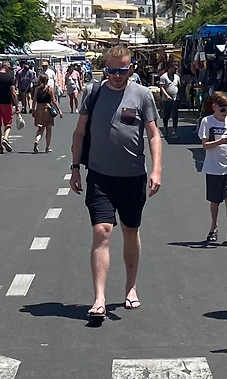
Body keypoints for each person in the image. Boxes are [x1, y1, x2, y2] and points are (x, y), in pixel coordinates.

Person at [69, 44, 162, 322]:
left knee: (131, 230)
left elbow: (153, 135)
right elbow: (79, 133)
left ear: (130, 68)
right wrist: (75, 168)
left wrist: (156, 170)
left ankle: (130, 287)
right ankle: (99, 298)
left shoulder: (142, 95)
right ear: (104, 69)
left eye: (122, 71)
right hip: (100, 176)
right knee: (102, 230)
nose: (117, 76)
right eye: (112, 70)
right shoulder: (92, 92)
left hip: (133, 176)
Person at [198, 91, 227, 247]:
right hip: (213, 167)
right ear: (214, 107)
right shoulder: (207, 121)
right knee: (215, 201)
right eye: (223, 109)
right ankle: (214, 226)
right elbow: (205, 145)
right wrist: (220, 141)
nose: (226, 113)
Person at [0, 61, 16, 152]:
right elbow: (13, 92)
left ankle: (0, 146)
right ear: (7, 67)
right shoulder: (10, 77)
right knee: (8, 124)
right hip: (7, 102)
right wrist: (16, 105)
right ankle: (5, 138)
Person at [32, 66, 59, 153]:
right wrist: (59, 110)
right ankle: (48, 147)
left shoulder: (37, 89)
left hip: (39, 109)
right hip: (47, 109)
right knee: (48, 129)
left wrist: (33, 110)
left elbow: (34, 100)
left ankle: (37, 140)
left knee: (40, 129)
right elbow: (54, 101)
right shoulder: (49, 89)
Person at [155, 62, 181, 138]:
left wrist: (180, 96)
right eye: (174, 69)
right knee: (166, 115)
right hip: (166, 100)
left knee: (175, 115)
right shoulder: (163, 77)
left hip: (175, 99)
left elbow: (178, 86)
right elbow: (162, 87)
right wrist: (167, 96)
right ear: (170, 68)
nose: (175, 70)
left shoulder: (177, 77)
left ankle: (174, 131)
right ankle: (165, 128)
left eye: (176, 69)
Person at [15, 59, 35, 126]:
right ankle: (24, 107)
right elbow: (18, 80)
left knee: (29, 96)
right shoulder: (20, 72)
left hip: (28, 86)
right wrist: (19, 88)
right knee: (23, 97)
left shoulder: (30, 72)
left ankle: (30, 108)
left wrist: (27, 87)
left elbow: (30, 80)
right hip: (22, 86)